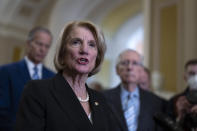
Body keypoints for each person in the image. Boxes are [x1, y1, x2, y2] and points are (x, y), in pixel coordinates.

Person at [15, 21, 122, 131]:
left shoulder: (101, 100)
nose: (84, 50)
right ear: (62, 52)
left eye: (91, 45)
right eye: (76, 42)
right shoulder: (38, 91)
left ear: (97, 56)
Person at [0, 26, 55, 131]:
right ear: (28, 43)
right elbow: (2, 111)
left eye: (47, 46)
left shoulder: (53, 78)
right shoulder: (6, 72)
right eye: (39, 44)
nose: (42, 49)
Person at [103, 49, 166, 131]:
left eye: (135, 63)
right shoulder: (102, 98)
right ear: (117, 70)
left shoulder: (155, 102)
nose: (129, 67)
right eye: (125, 63)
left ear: (141, 70)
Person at [167, 59, 197, 130]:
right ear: (185, 77)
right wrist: (180, 117)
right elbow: (166, 128)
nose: (196, 77)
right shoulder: (174, 101)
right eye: (192, 73)